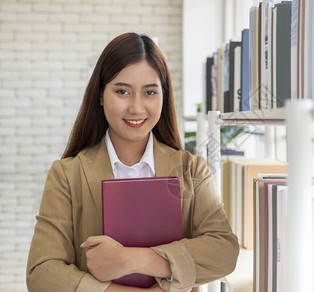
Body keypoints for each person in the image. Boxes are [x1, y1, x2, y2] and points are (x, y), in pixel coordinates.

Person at [26, 33, 239, 292]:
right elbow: (41, 272)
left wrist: (134, 259)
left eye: (150, 92)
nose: (137, 108)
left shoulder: (191, 170)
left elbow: (224, 251)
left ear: (164, 95)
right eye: (122, 91)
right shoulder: (67, 174)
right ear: (101, 95)